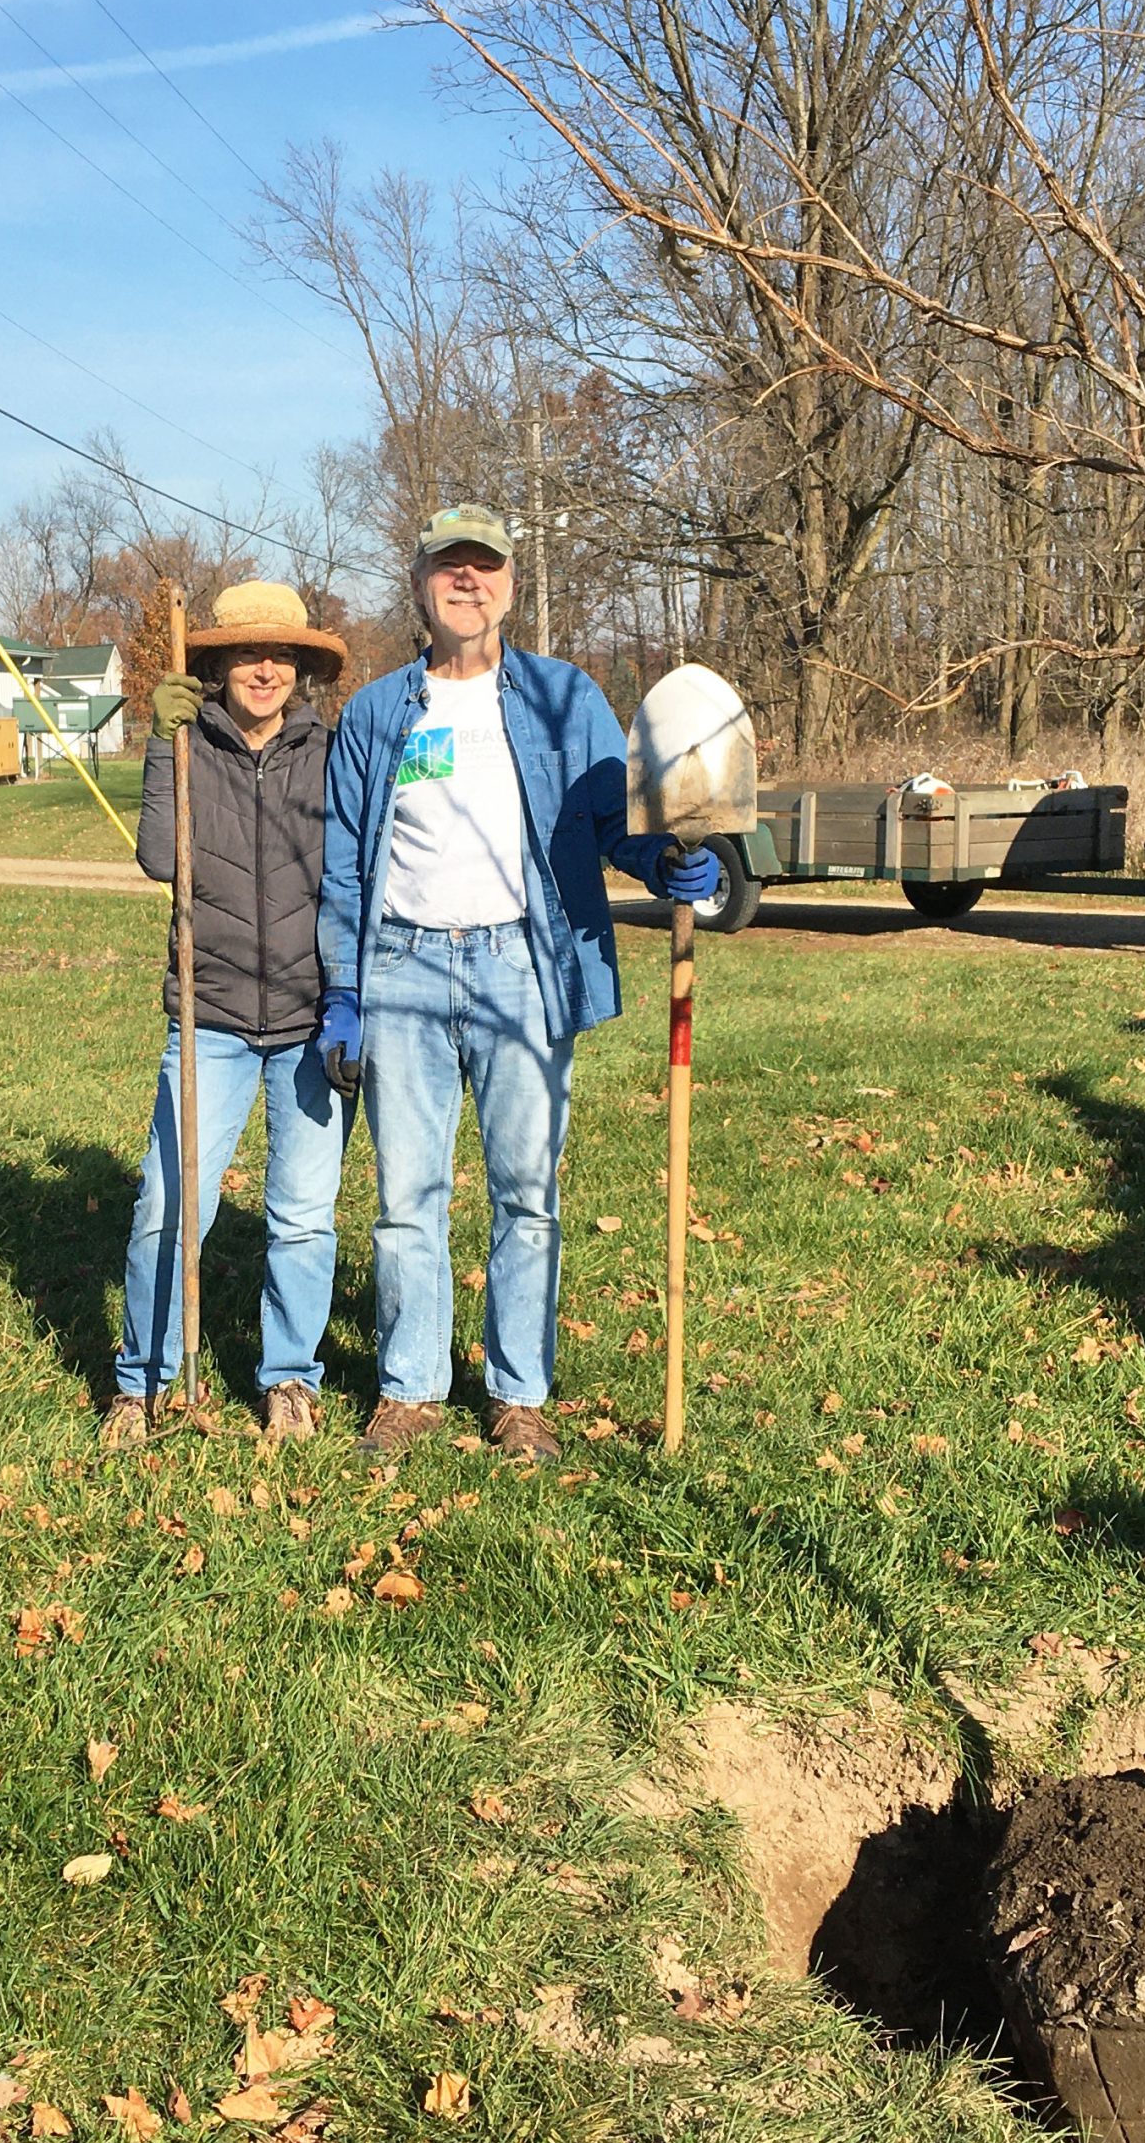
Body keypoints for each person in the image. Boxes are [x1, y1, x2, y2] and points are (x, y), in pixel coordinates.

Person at [315, 504, 720, 1463]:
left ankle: (517, 1395)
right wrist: (344, 989)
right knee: (407, 1193)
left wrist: (667, 865)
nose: (467, 582)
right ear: (418, 585)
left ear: (510, 584)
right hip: (401, 967)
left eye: (484, 567)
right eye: (448, 568)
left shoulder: (562, 698)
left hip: (522, 967)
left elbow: (611, 816)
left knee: (526, 1192)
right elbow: (343, 863)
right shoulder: (376, 713)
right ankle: (410, 1390)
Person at [102, 580, 350, 1450]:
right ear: (214, 663)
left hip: (310, 1021)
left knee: (302, 1216)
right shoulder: (186, 741)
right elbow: (156, 856)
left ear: (302, 668)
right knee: (168, 1206)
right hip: (208, 1019)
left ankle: (289, 1378)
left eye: (281, 653)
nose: (266, 667)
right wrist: (159, 742)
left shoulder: (330, 749)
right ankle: (144, 1380)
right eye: (248, 651)